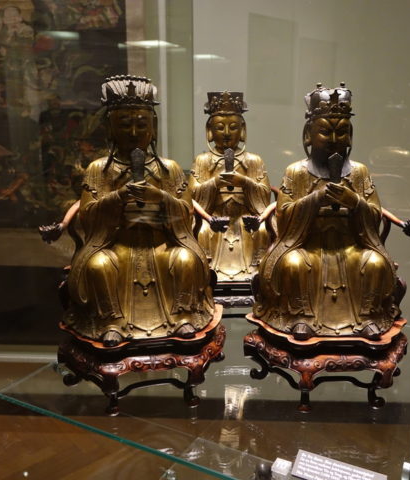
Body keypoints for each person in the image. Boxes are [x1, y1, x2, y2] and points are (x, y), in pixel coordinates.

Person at [64, 75, 215, 346]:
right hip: (116, 245)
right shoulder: (99, 170)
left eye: (141, 124)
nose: (134, 132)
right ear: (110, 128)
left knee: (186, 260)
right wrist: (118, 198)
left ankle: (182, 315)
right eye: (125, 125)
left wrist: (160, 197)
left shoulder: (169, 169)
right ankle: (110, 321)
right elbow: (87, 216)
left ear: (153, 128)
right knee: (98, 265)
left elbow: (186, 213)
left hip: (162, 245)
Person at [253, 83, 399, 341]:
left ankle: (367, 316)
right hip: (308, 245)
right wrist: (315, 199)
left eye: (341, 132)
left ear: (350, 135)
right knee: (293, 264)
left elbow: (375, 214)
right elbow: (283, 215)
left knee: (375, 263)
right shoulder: (297, 172)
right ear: (308, 135)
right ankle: (300, 316)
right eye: (325, 132)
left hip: (351, 247)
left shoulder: (359, 172)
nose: (333, 139)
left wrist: (355, 201)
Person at [189, 92, 271, 283]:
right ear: (210, 131)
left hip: (245, 215)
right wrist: (215, 183)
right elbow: (191, 195)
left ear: (242, 130)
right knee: (203, 232)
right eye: (220, 127)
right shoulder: (202, 161)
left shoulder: (254, 161)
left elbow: (265, 196)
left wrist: (245, 182)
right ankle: (208, 273)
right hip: (213, 216)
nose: (226, 133)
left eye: (233, 127)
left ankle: (256, 273)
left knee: (261, 231)